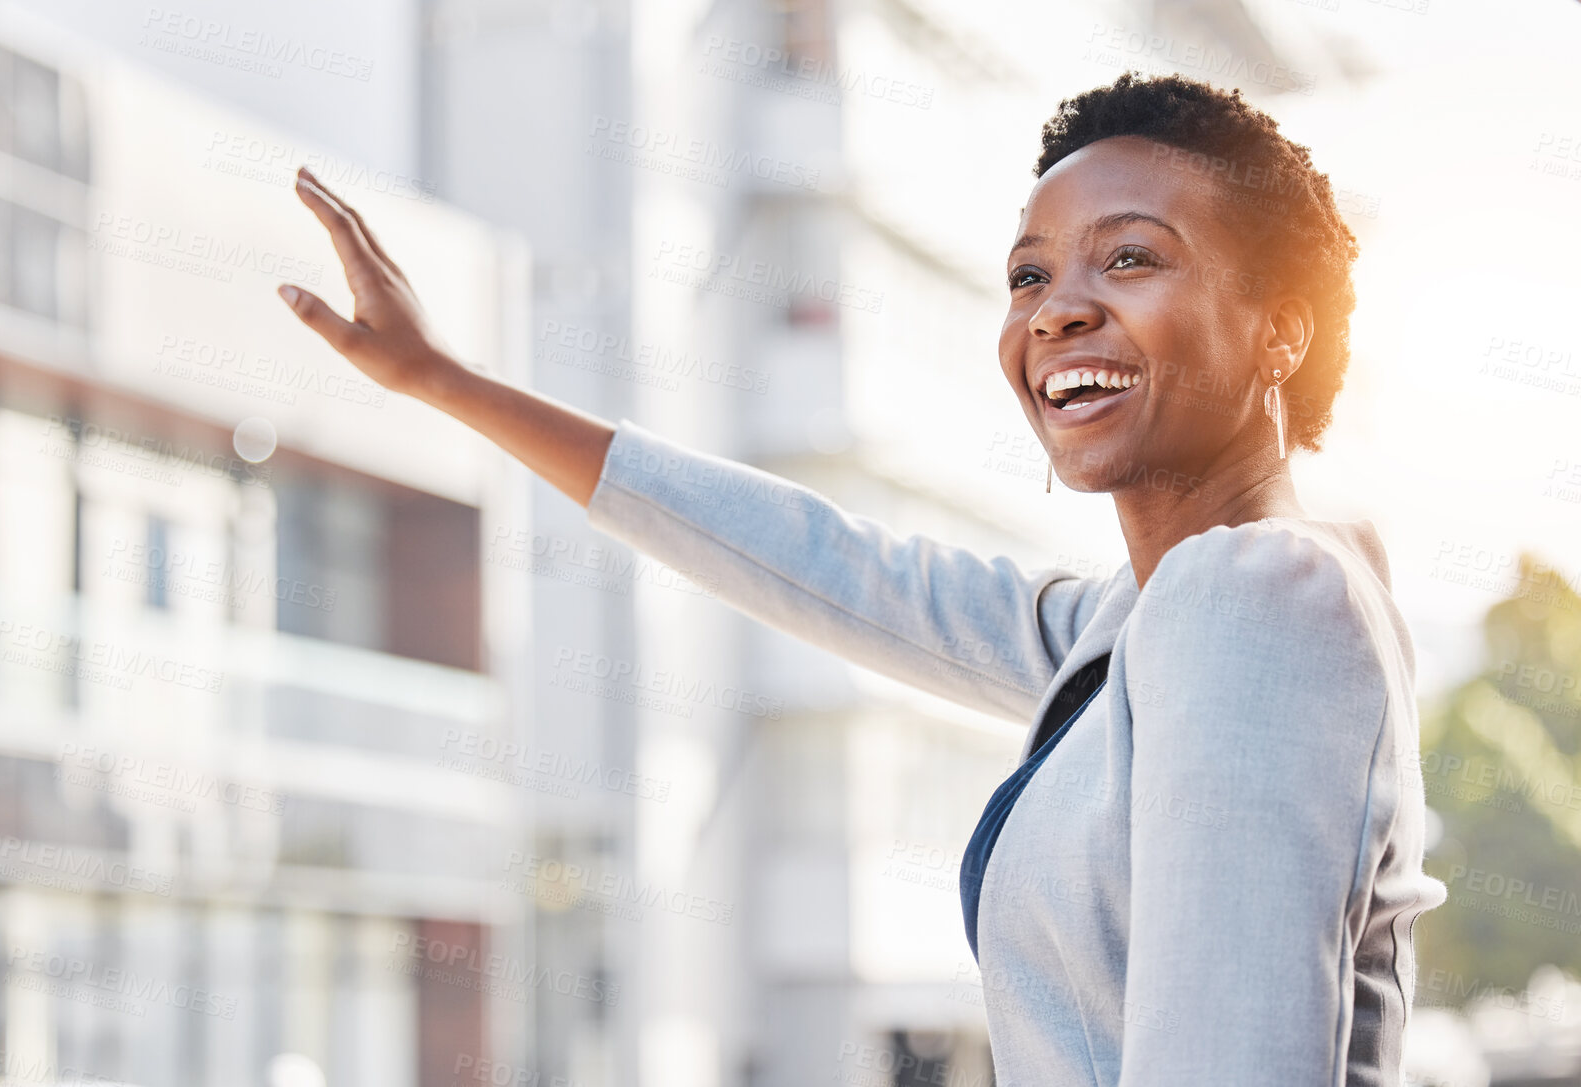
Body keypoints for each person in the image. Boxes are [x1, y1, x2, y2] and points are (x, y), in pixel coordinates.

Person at [276, 70, 1446, 1086]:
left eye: (1130, 256)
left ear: (1279, 330)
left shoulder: (1255, 602)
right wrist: (448, 382)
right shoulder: (1136, 624)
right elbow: (830, 564)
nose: (1056, 311)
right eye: (1028, 276)